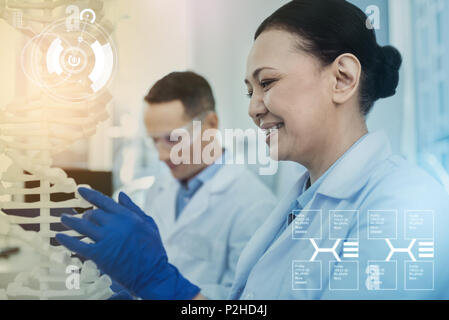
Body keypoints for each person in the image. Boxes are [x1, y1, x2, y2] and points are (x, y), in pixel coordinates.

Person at [56, 0, 449, 300]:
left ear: (342, 78)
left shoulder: (406, 207)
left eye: (267, 82)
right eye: (250, 89)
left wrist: (161, 283)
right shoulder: (299, 202)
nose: (252, 107)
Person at [114, 71, 276, 299]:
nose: (161, 155)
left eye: (173, 139)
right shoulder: (161, 187)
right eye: (154, 140)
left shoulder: (255, 206)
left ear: (210, 124)